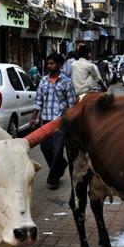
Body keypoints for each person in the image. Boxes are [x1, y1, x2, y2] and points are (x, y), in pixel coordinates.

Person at [31, 53, 76, 190]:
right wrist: (34, 117)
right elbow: (38, 101)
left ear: (59, 65)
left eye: (52, 63)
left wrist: (71, 121)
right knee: (45, 149)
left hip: (60, 123)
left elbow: (71, 103)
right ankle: (60, 166)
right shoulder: (43, 81)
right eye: (48, 63)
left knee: (57, 151)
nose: (49, 66)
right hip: (45, 122)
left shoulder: (66, 82)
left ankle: (53, 179)